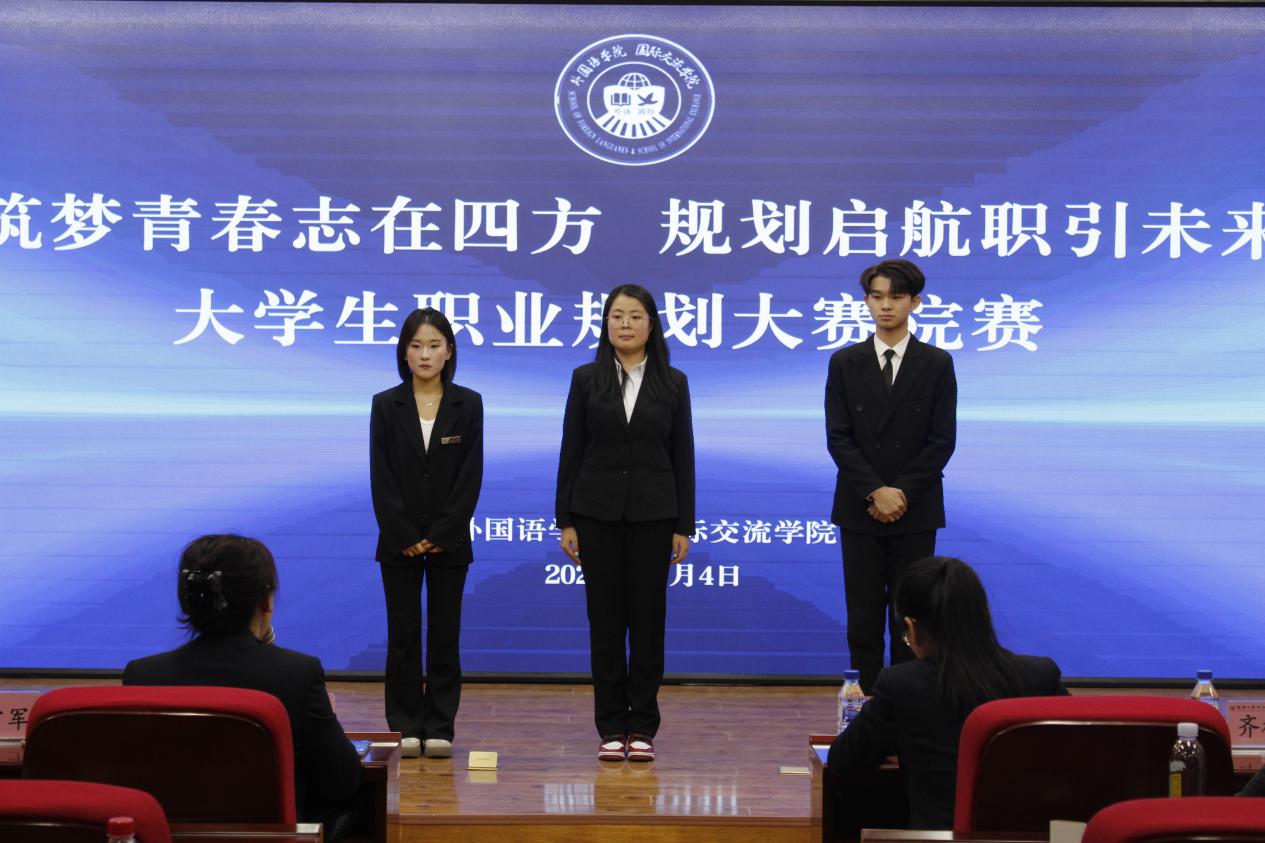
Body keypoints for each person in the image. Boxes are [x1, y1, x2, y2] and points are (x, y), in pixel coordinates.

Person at [124, 534, 363, 831]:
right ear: (266, 601)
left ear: (188, 599)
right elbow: (343, 781)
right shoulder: (297, 674)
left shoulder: (143, 676)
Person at [555, 283, 695, 763]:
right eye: (617, 316)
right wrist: (565, 519)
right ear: (606, 324)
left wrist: (683, 525)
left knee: (649, 622)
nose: (625, 324)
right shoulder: (585, 379)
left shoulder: (672, 382)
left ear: (651, 325)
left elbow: (683, 455)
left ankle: (644, 726)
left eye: (635, 316)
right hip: (595, 515)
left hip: (655, 517)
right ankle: (611, 725)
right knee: (606, 623)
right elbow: (571, 450)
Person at [827, 555, 1067, 831]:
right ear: (984, 615)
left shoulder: (901, 685)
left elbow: (843, 763)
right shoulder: (1040, 675)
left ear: (911, 627)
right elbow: (1081, 751)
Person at [825, 258, 957, 693]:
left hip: (914, 508)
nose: (886, 306)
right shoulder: (845, 362)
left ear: (915, 302)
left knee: (911, 614)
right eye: (877, 297)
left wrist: (899, 492)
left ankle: (908, 701)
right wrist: (875, 491)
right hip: (859, 507)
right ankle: (864, 707)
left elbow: (942, 440)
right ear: (866, 301)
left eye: (896, 297)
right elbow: (838, 438)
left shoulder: (936, 363)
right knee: (862, 614)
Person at [370, 307, 483, 759]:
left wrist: (443, 531)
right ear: (403, 352)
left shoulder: (468, 403)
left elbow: (470, 475)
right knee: (402, 637)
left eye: (434, 345)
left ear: (449, 351)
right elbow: (381, 476)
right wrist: (403, 533)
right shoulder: (385, 404)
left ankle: (439, 725)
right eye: (415, 345)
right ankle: (404, 725)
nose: (424, 354)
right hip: (397, 542)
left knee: (443, 636)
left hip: (449, 542)